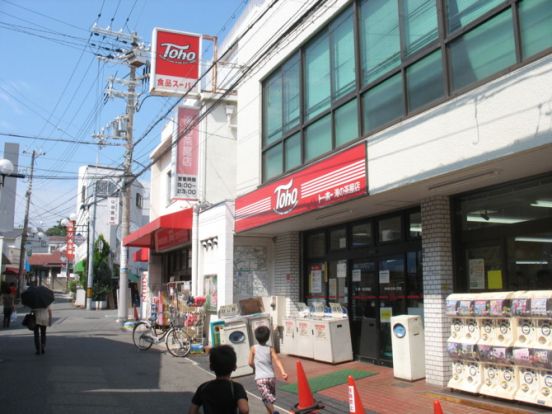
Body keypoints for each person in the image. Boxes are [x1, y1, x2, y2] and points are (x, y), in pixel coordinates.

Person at [188, 345, 249, 414]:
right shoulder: (236, 387)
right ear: (234, 367)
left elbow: (192, 411)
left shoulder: (203, 387)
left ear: (211, 367)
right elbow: (244, 409)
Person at [248, 326, 288, 414]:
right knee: (268, 400)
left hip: (260, 378)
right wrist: (283, 372)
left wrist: (256, 367)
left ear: (256, 336)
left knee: (266, 399)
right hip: (271, 377)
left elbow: (250, 362)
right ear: (268, 337)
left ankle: (274, 412)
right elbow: (277, 360)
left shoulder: (253, 348)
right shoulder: (270, 348)